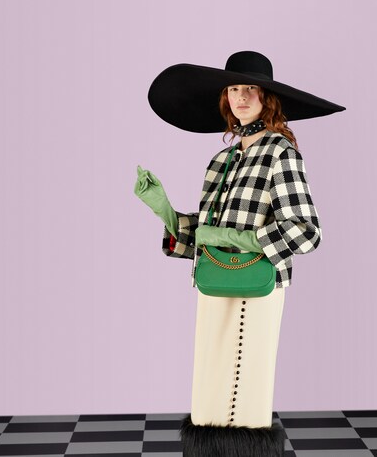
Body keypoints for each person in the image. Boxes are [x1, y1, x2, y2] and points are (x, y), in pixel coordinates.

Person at [135, 51, 345, 456]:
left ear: (268, 98)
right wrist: (164, 210)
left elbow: (305, 231)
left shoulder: (280, 153)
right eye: (234, 89)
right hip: (214, 281)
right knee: (210, 386)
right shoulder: (221, 161)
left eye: (251, 88)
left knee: (245, 390)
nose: (242, 97)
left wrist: (239, 238)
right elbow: (208, 235)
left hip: (257, 285)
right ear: (225, 98)